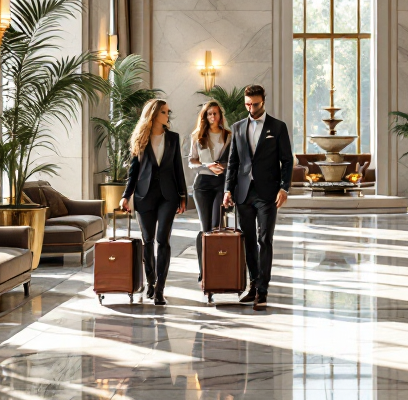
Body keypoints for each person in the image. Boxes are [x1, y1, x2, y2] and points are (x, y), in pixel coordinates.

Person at [223, 84, 293, 310]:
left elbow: (287, 160)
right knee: (249, 241)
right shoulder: (238, 127)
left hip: (268, 193)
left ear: (263, 101)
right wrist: (227, 190)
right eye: (247, 104)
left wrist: (285, 188)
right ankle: (253, 284)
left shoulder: (278, 127)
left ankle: (263, 290)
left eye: (254, 104)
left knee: (265, 239)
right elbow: (233, 162)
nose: (250, 108)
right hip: (243, 192)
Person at [120, 98, 187, 306]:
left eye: (168, 112)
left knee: (162, 240)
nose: (168, 116)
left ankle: (160, 289)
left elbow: (178, 169)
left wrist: (183, 196)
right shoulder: (141, 138)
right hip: (144, 195)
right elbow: (133, 171)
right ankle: (150, 282)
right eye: (165, 112)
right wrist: (126, 195)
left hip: (168, 195)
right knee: (147, 241)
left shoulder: (174, 138)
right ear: (154, 115)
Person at [189, 100, 232, 288]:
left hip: (220, 184)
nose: (212, 117)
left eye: (215, 113)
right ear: (205, 116)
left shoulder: (228, 135)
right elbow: (192, 162)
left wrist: (223, 167)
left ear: (220, 115)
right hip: (202, 185)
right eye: (209, 114)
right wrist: (207, 165)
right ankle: (203, 271)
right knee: (205, 227)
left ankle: (217, 268)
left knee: (216, 226)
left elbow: (235, 160)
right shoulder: (198, 136)